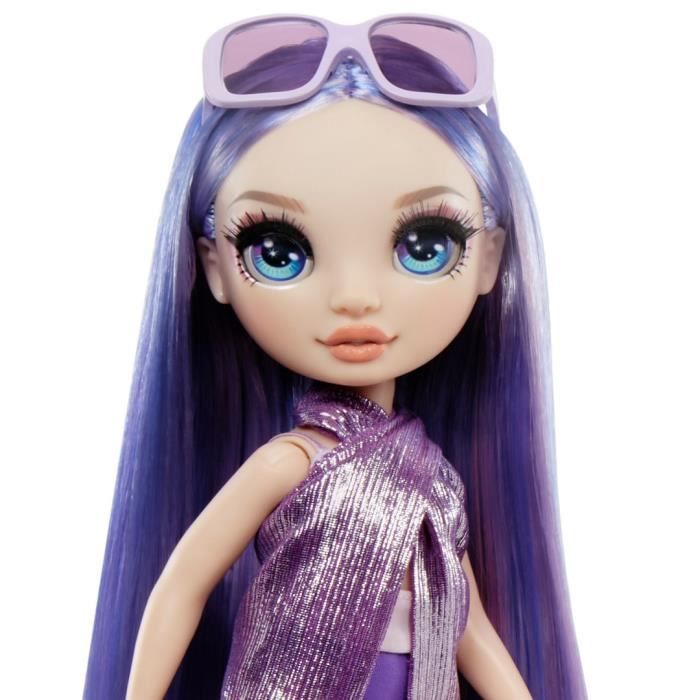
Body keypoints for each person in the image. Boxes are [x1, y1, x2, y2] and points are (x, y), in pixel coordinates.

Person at [84, 14, 587, 699]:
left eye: (425, 245)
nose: (354, 298)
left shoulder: (436, 483)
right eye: (279, 252)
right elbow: (180, 586)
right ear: (215, 268)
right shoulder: (289, 463)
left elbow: (469, 630)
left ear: (489, 257)